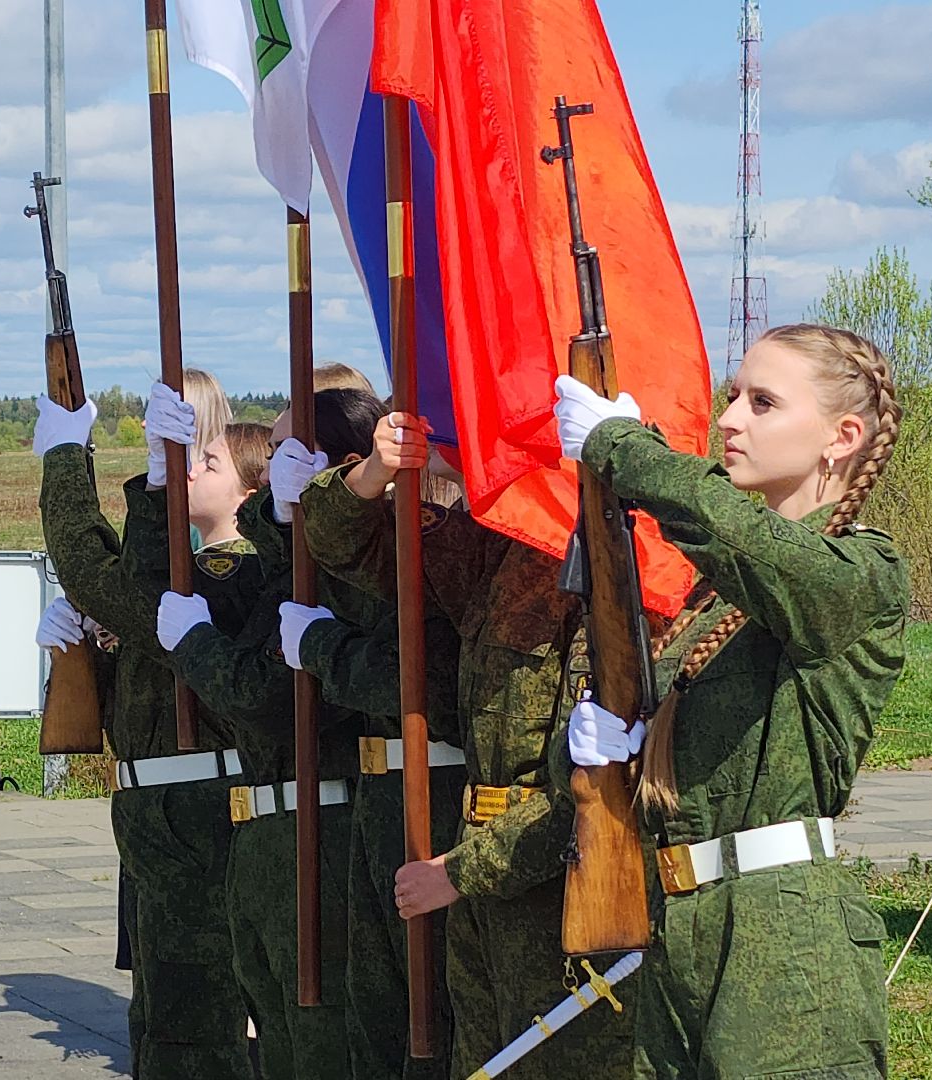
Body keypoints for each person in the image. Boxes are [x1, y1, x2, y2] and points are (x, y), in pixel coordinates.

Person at [549, 323, 908, 1080]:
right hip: (680, 929)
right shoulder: (716, 602)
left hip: (782, 945)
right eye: (733, 395)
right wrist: (605, 750)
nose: (728, 419)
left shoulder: (859, 574)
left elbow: (751, 543)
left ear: (841, 437)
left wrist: (622, 449)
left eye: (763, 402)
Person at [297, 414, 636, 1079]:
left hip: (555, 881)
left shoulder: (622, 568)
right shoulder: (499, 548)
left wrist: (459, 871)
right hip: (478, 873)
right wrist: (372, 472)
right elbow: (349, 543)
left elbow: (588, 793)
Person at [152, 391, 388, 1080]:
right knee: (276, 1034)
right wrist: (153, 495)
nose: (278, 464)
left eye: (293, 451)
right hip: (262, 835)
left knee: (319, 1041)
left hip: (318, 831)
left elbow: (265, 699)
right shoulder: (291, 564)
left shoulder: (349, 572)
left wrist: (195, 645)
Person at [33, 370, 254, 1079]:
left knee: (194, 1024)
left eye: (207, 457)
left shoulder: (233, 573)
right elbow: (131, 623)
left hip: (198, 808)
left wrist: (66, 458)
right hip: (156, 806)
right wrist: (88, 653)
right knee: (163, 1015)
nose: (191, 467)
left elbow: (114, 584)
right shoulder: (193, 573)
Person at [271, 390, 470, 1080]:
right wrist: (284, 522)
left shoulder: (437, 540)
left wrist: (323, 647)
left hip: (434, 786)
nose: (278, 466)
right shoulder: (380, 540)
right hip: (379, 791)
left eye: (296, 453)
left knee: (424, 1015)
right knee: (375, 1010)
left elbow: (412, 676)